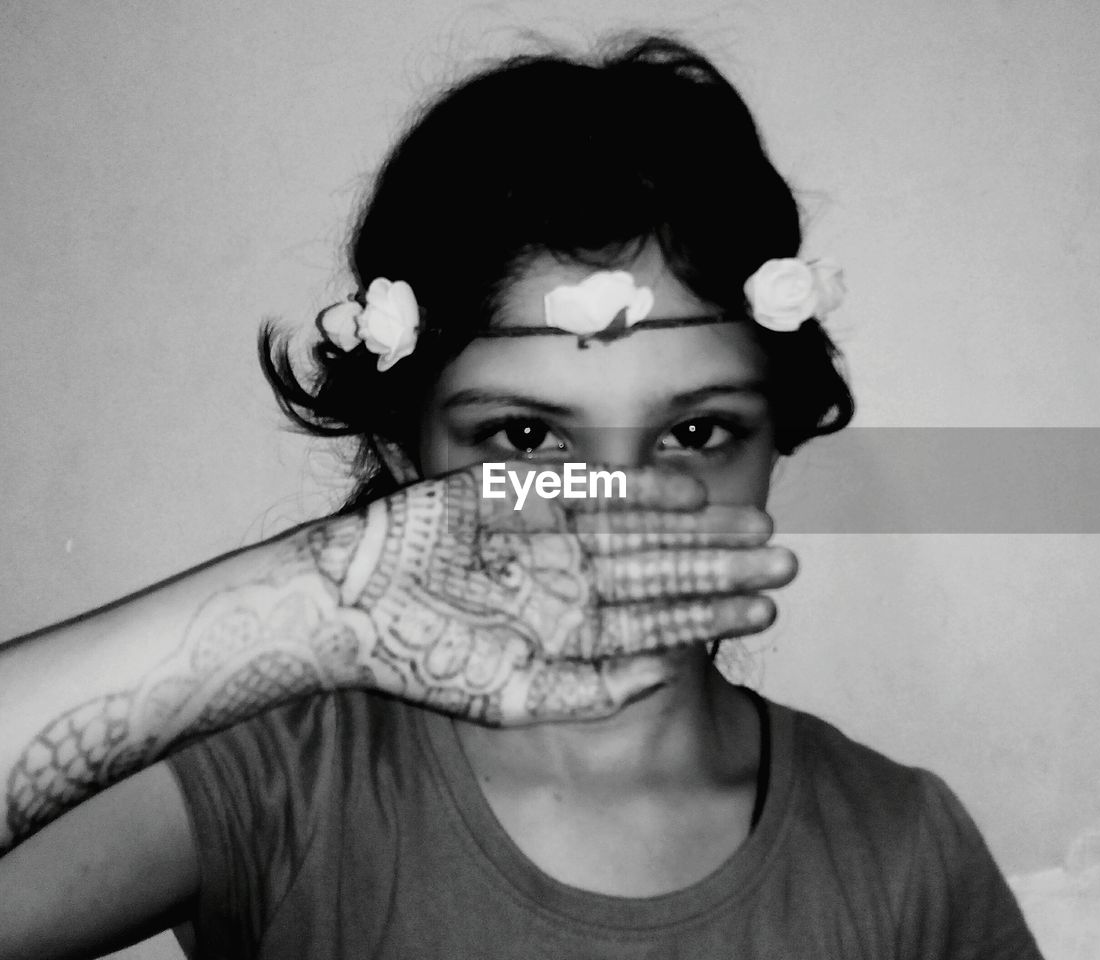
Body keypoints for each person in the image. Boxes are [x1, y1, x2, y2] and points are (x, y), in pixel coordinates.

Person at [0, 34, 1042, 960]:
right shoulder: (282, 778)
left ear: (774, 441)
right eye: (527, 437)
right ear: (405, 458)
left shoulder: (900, 850)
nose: (615, 505)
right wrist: (308, 599)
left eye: (694, 431)